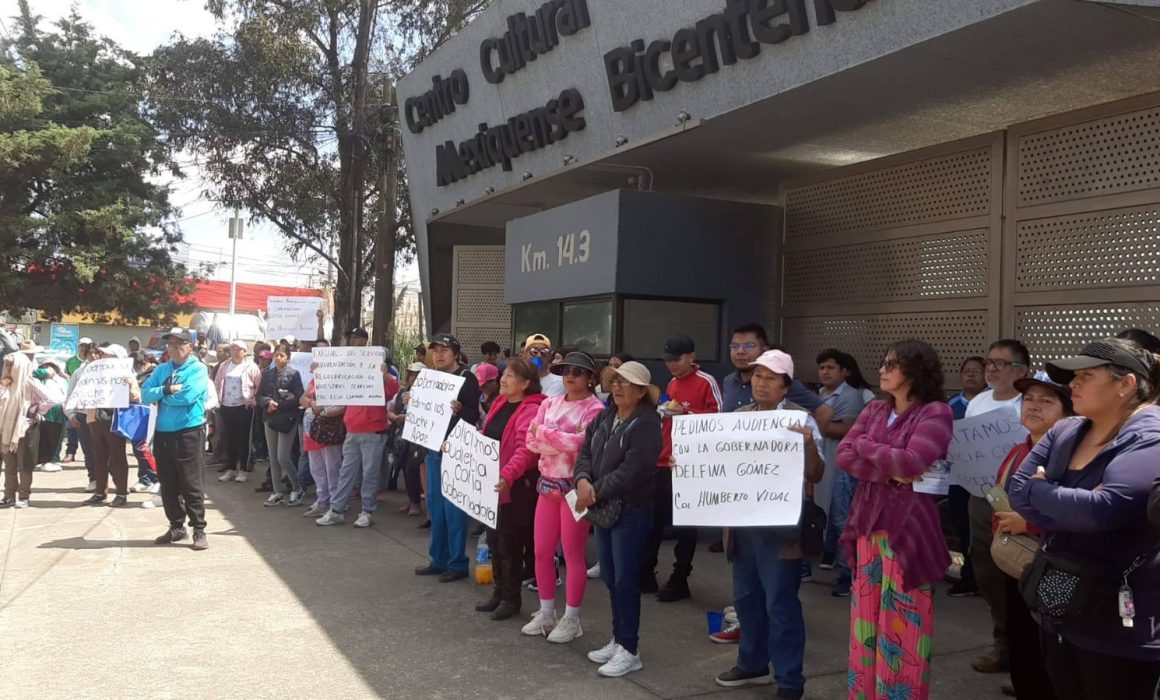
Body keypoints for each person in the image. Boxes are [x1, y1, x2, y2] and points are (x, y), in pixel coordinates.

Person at [1009, 338, 1160, 699]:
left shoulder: (1150, 436)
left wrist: (1044, 493)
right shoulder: (1067, 429)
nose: (1073, 384)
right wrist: (1069, 506)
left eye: (1086, 376)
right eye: (1074, 376)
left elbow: (1102, 511)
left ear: (1126, 385)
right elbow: (1017, 490)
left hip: (1122, 624)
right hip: (1059, 604)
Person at [836, 339, 954, 700]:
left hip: (908, 531)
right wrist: (887, 472)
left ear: (915, 371)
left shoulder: (935, 412)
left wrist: (869, 449)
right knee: (865, 622)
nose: (883, 370)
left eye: (892, 364)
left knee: (903, 625)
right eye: (884, 363)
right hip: (868, 524)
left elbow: (912, 462)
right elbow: (843, 455)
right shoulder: (874, 409)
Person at [712, 349, 824, 699]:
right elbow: (717, 462)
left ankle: (790, 679)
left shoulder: (801, 419)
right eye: (758, 376)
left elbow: (816, 474)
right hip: (741, 525)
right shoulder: (739, 416)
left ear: (786, 386)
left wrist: (806, 445)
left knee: (780, 604)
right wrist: (684, 465)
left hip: (782, 529)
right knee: (746, 600)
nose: (762, 383)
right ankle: (752, 663)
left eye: (771, 379)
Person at [573, 361, 662, 678]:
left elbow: (633, 471)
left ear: (641, 392)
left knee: (626, 580)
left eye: (627, 383)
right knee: (610, 576)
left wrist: (592, 491)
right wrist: (583, 480)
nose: (619, 387)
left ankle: (629, 648)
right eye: (616, 382)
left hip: (630, 510)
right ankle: (618, 639)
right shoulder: (604, 417)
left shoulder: (648, 423)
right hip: (602, 508)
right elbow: (584, 454)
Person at [989, 376, 1073, 700]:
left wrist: (1031, 524)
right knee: (1022, 638)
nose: (1034, 405)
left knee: (1052, 642)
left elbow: (1081, 512)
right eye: (1029, 399)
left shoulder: (1071, 456)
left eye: (1046, 401)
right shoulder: (1017, 450)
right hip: (1017, 564)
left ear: (1068, 413)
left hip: (1057, 566)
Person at [521, 352, 606, 641]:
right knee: (542, 552)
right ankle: (547, 612)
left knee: (572, 554)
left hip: (575, 490)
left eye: (578, 372)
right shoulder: (548, 402)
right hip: (547, 486)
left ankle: (572, 618)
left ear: (591, 378)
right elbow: (531, 443)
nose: (570, 376)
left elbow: (581, 444)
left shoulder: (594, 408)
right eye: (566, 371)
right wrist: (555, 439)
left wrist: (545, 432)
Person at [966, 339, 1032, 676]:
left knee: (1021, 567)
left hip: (1020, 499)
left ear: (1022, 370)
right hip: (982, 496)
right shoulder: (977, 401)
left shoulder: (1030, 403)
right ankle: (1003, 644)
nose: (992, 368)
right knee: (987, 565)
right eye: (989, 361)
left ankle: (1028, 655)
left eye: (1001, 363)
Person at [644, 334, 722, 602]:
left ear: (691, 356)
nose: (671, 365)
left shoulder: (706, 382)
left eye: (676, 360)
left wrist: (686, 416)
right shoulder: (673, 383)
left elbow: (718, 421)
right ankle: (647, 571)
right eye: (667, 361)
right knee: (655, 520)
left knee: (686, 524)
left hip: (690, 464)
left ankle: (680, 577)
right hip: (664, 459)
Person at [472, 358, 546, 620]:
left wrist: (507, 474)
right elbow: (487, 434)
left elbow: (525, 450)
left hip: (515, 486)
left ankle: (511, 599)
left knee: (509, 543)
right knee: (494, 539)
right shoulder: (501, 402)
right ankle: (498, 592)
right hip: (493, 484)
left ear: (526, 383)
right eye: (504, 374)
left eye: (511, 376)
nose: (503, 379)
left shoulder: (531, 410)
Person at [414, 334, 481, 580]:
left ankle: (457, 564)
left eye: (445, 350)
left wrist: (461, 410)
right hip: (433, 450)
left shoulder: (467, 378)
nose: (439, 354)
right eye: (436, 350)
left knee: (454, 511)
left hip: (455, 453)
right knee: (435, 506)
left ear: (456, 353)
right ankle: (438, 559)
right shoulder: (430, 377)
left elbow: (474, 415)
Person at [140, 329, 212, 550]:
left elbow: (187, 397)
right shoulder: (162, 369)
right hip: (164, 433)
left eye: (178, 344)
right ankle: (176, 526)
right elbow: (145, 394)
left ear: (190, 346)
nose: (172, 348)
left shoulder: (198, 369)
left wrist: (162, 395)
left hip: (188, 432)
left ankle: (198, 529)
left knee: (191, 483)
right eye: (170, 345)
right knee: (168, 483)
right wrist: (167, 389)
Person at [315, 360, 398, 528]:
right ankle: (337, 510)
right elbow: (333, 386)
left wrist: (385, 376)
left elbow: (394, 389)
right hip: (352, 430)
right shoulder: (350, 377)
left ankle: (367, 512)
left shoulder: (381, 377)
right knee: (346, 471)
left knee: (369, 473)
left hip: (373, 430)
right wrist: (319, 373)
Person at [814, 349, 867, 598]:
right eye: (822, 368)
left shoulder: (851, 395)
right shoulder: (818, 395)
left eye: (830, 368)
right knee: (818, 516)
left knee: (841, 520)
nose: (825, 372)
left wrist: (812, 423)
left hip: (840, 470)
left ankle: (849, 574)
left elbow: (846, 429)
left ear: (845, 372)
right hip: (817, 466)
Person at [947, 355, 988, 599]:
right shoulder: (949, 406)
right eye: (967, 371)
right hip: (958, 477)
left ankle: (986, 579)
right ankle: (968, 576)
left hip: (987, 479)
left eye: (976, 371)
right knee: (963, 528)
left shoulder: (991, 404)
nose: (970, 375)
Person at [83, 344, 141, 507]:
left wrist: (128, 385)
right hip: (95, 419)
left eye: (108, 355)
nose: (103, 357)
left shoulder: (126, 374)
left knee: (117, 457)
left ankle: (121, 493)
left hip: (116, 420)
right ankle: (100, 492)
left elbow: (136, 397)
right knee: (98, 457)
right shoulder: (95, 373)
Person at [1, 348, 58, 508]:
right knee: (9, 464)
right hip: (6, 427)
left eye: (11, 365)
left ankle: (24, 496)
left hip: (24, 427)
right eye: (7, 365)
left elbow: (51, 400)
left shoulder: (31, 382)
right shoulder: (5, 384)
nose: (7, 368)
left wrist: (35, 411)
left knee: (24, 464)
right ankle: (9, 495)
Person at [257, 346, 305, 506]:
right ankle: (277, 492)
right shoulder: (268, 374)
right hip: (269, 418)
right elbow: (259, 396)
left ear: (288, 358)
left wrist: (279, 404)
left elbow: (299, 397)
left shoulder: (294, 374)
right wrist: (267, 402)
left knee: (283, 457)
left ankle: (297, 488)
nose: (278, 358)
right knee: (273, 458)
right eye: (276, 355)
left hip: (287, 419)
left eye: (282, 355)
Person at [214, 340, 261, 483]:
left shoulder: (251, 367)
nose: (234, 351)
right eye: (232, 348)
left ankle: (244, 470)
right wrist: (218, 400)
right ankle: (231, 468)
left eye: (238, 349)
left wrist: (253, 401)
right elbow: (217, 383)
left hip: (243, 407)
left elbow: (259, 386)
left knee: (243, 439)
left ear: (244, 351)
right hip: (226, 406)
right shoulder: (224, 366)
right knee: (229, 438)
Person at [300, 374, 346, 518]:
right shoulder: (314, 380)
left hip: (329, 429)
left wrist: (322, 409)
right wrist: (313, 404)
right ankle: (322, 500)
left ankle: (335, 503)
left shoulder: (340, 380)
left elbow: (343, 405)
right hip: (312, 429)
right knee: (317, 468)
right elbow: (302, 398)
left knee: (332, 467)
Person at [390, 362, 426, 517]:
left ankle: (416, 504)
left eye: (417, 375)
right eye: (411, 374)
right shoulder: (401, 392)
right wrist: (394, 417)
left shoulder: (428, 394)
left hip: (417, 437)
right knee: (404, 467)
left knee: (413, 468)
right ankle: (411, 500)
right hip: (401, 436)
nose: (413, 377)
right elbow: (390, 409)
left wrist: (407, 417)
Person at [32, 358, 68, 472]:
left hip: (60, 409)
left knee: (57, 436)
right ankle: (43, 460)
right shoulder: (36, 378)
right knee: (42, 436)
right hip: (43, 410)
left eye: (52, 366)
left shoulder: (62, 380)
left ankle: (53, 460)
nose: (49, 368)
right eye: (46, 366)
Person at [63, 336, 92, 464]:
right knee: (72, 428)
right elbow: (69, 385)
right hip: (78, 409)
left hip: (98, 415)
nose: (84, 349)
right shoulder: (73, 364)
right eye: (82, 346)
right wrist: (70, 413)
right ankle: (70, 452)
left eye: (87, 346)